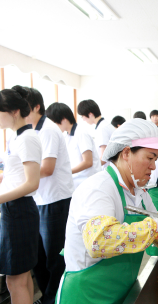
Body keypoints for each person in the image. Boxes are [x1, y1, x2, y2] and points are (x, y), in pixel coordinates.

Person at [56, 119, 158, 304]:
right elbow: (99, 241)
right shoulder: (98, 188)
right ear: (126, 153)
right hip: (86, 295)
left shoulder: (139, 193)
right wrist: (157, 226)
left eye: (156, 160)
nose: (153, 166)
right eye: (150, 158)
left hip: (122, 291)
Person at [18, 86, 74, 304]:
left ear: (36, 107)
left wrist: (17, 175)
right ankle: (47, 296)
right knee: (39, 258)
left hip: (56, 200)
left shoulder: (48, 129)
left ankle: (53, 298)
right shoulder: (28, 131)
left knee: (54, 257)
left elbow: (47, 168)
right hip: (40, 199)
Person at [0, 88, 42, 304]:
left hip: (18, 210)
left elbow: (32, 183)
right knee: (20, 277)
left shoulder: (27, 138)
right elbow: (16, 176)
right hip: (15, 210)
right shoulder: (17, 138)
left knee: (15, 280)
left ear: (14, 111)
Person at [46, 103, 101, 190]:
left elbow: (88, 162)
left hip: (89, 183)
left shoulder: (81, 133)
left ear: (63, 118)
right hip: (77, 184)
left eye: (54, 122)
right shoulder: (66, 136)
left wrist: (66, 172)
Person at [77, 99, 116, 169]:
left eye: (82, 116)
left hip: (107, 169)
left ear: (90, 114)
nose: (83, 119)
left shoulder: (102, 128)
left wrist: (91, 166)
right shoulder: (104, 125)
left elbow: (104, 157)